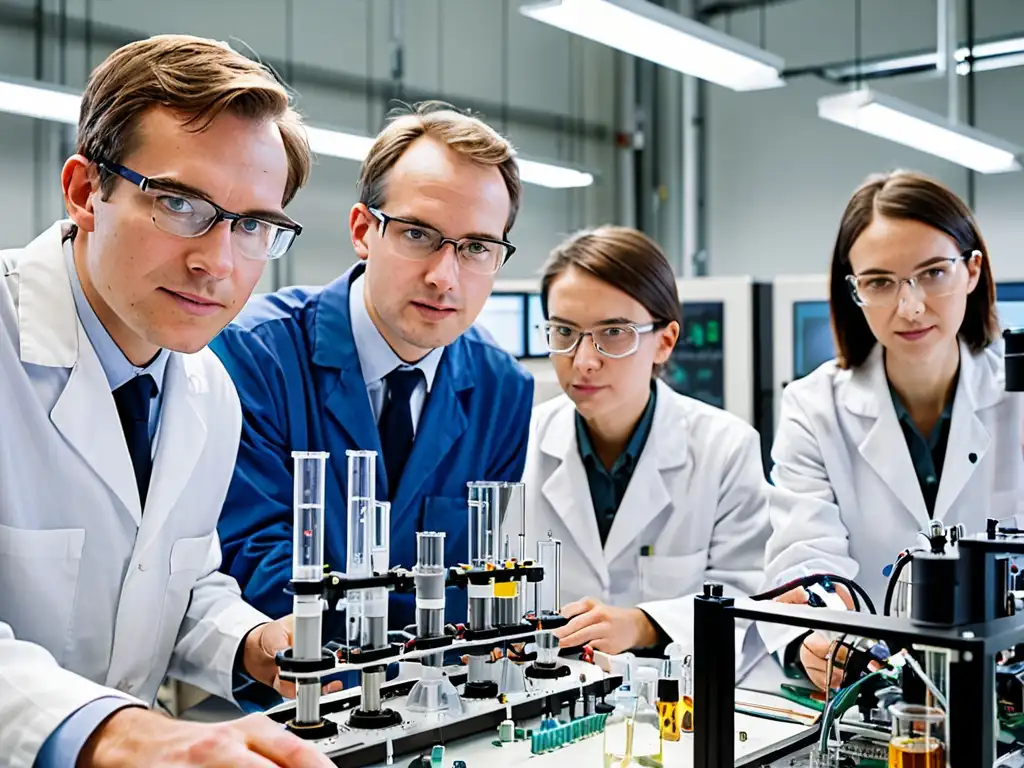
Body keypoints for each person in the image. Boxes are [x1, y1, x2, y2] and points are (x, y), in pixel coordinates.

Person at [0, 35, 335, 768]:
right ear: (88, 191)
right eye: (181, 203)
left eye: (252, 225)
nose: (217, 261)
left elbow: (174, 580)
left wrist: (250, 641)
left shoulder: (209, 389)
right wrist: (113, 731)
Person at [210, 102, 534, 635]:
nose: (444, 276)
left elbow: (475, 577)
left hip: (439, 697)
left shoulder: (503, 391)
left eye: (476, 247)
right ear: (363, 230)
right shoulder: (254, 356)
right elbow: (252, 561)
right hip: (291, 696)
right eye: (417, 234)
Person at [761, 170, 1024, 690]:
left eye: (932, 273)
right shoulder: (813, 408)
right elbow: (807, 562)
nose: (910, 307)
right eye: (880, 282)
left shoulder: (1017, 397)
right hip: (875, 691)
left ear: (972, 270)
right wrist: (820, 638)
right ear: (854, 291)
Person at [504, 225, 772, 678]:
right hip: (544, 701)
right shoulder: (517, 444)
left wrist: (645, 624)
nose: (584, 359)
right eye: (563, 331)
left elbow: (751, 605)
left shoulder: (724, 448)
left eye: (613, 333)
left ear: (664, 341)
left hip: (677, 708)